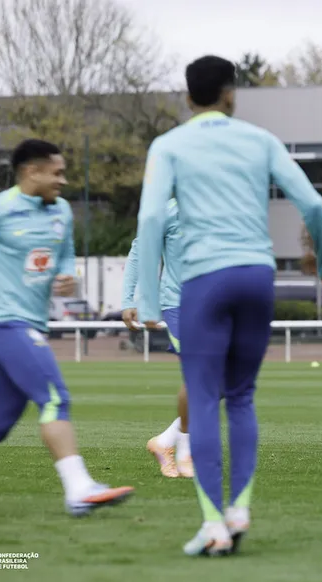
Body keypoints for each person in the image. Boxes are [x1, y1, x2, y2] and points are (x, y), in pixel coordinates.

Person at [135, 55, 322, 556]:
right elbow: (313, 204)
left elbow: (150, 220)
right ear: (231, 94)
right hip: (255, 276)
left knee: (205, 400)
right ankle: (240, 508)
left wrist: (146, 298)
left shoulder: (169, 145)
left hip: (204, 280)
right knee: (243, 397)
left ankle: (213, 524)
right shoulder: (260, 139)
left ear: (188, 98)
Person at [0, 139, 133, 516]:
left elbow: (65, 252)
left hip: (30, 325)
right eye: (56, 173)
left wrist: (68, 274)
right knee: (55, 399)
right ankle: (79, 489)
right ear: (31, 172)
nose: (63, 181)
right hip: (6, 325)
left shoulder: (61, 211)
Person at [122, 198, 193, 479]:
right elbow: (140, 252)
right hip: (178, 305)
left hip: (216, 304)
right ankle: (186, 452)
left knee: (226, 380)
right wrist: (129, 300)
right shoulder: (168, 210)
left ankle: (165, 441)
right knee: (200, 373)